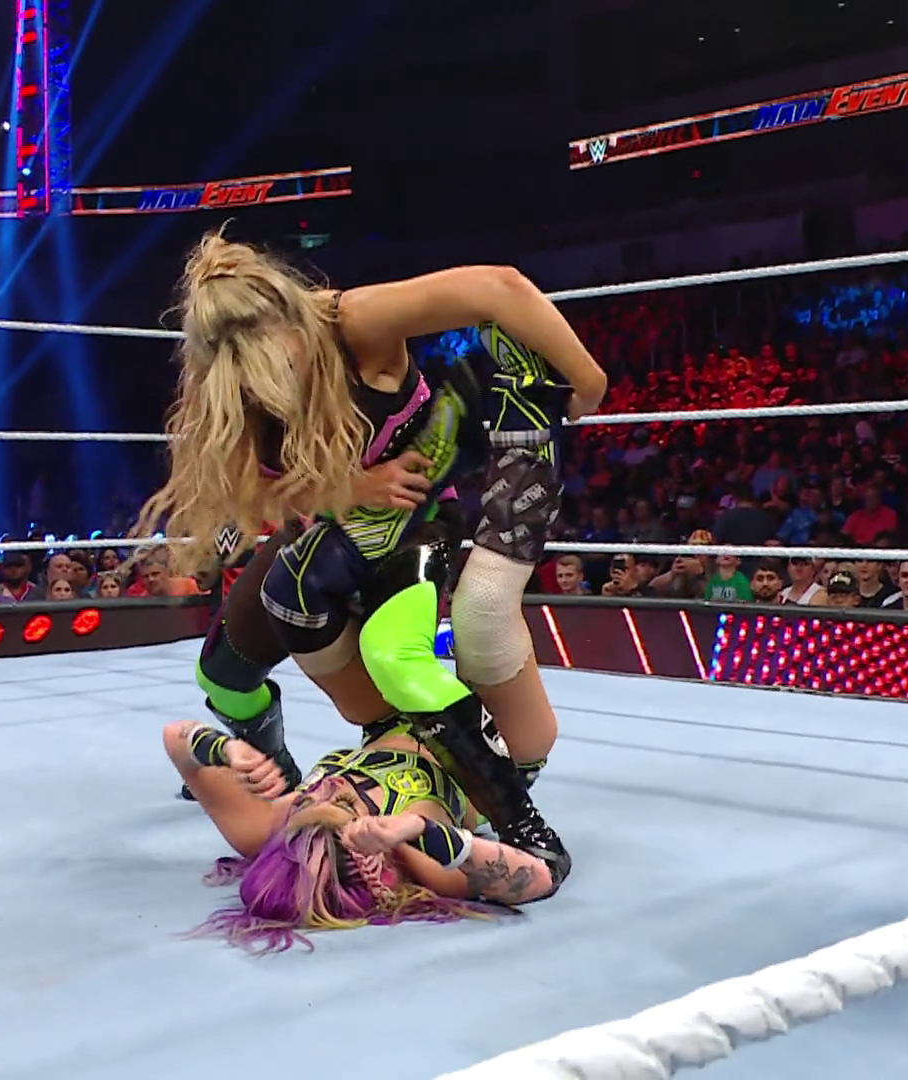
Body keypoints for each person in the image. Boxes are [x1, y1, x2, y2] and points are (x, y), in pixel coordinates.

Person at [137, 231, 605, 885]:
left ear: (296, 326)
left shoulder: (357, 323)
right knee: (223, 677)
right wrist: (349, 487)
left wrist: (587, 380)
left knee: (394, 654)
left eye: (278, 367)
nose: (273, 389)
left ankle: (519, 818)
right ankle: (277, 763)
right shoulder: (227, 382)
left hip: (414, 520)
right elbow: (247, 490)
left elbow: (498, 287)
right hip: (325, 522)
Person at [161, 564, 560, 954]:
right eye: (340, 809)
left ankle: (392, 547)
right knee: (483, 608)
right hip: (500, 748)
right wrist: (424, 832)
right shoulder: (423, 859)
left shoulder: (265, 828)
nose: (322, 795)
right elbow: (537, 878)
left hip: (392, 717)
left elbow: (175, 737)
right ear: (370, 853)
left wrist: (226, 749)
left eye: (307, 808)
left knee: (302, 612)